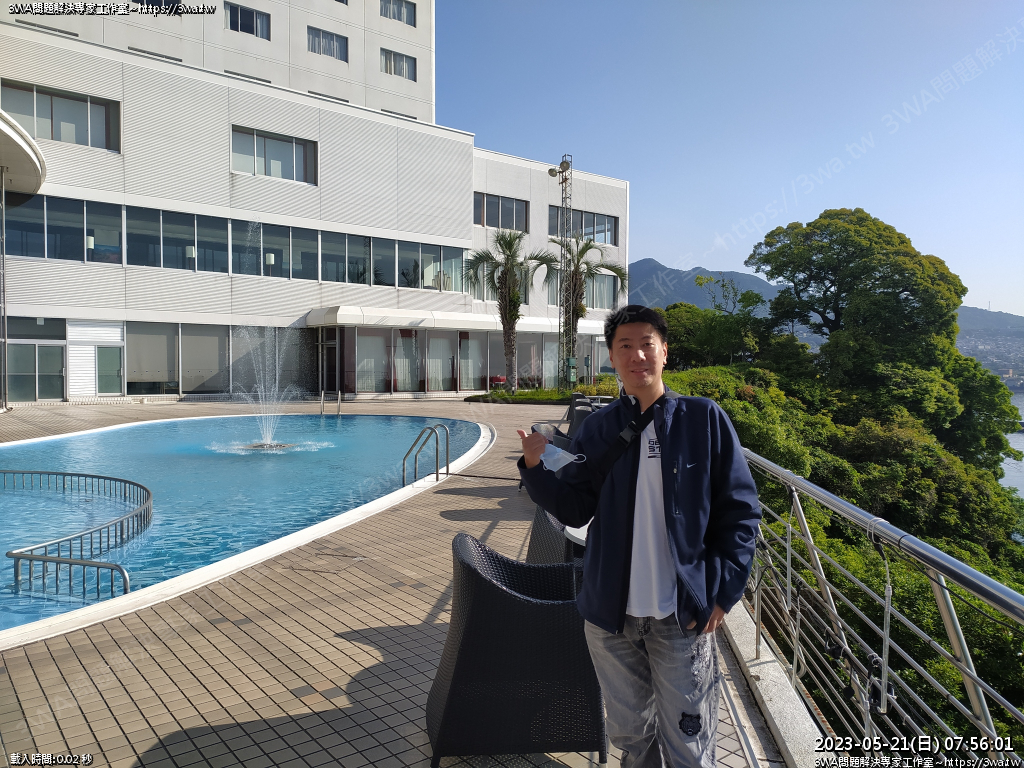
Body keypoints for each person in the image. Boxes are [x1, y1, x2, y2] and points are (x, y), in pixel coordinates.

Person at [517, 304, 761, 768]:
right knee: (632, 740)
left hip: (681, 618)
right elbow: (576, 507)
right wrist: (533, 467)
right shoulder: (599, 427)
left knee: (690, 746)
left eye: (647, 344)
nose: (637, 355)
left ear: (664, 351)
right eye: (624, 346)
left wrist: (723, 593)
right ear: (612, 357)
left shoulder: (702, 419)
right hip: (610, 619)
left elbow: (741, 512)